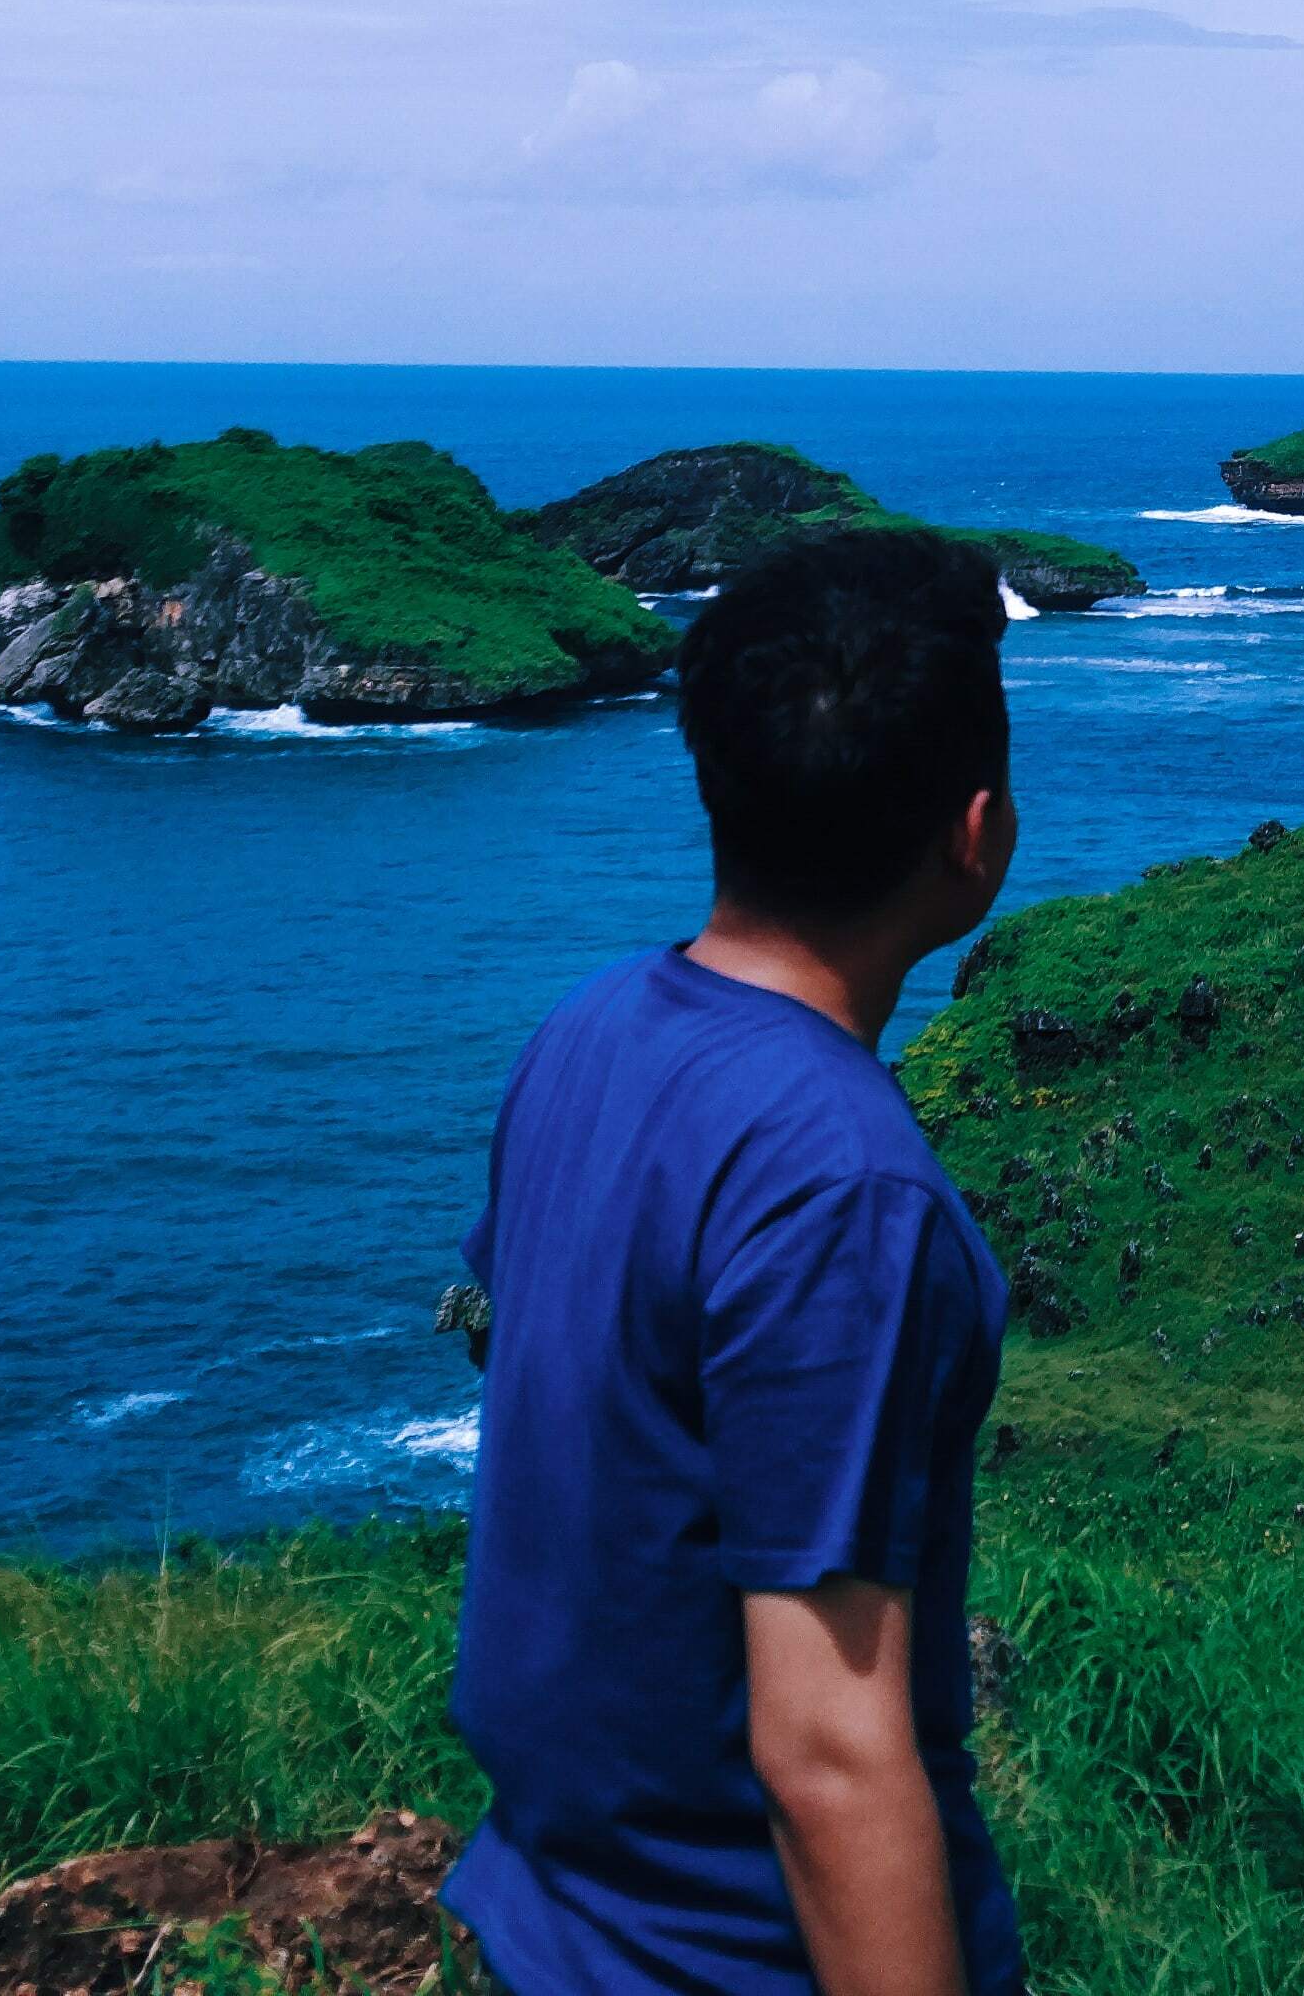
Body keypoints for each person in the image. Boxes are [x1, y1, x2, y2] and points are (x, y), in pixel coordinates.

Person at [444, 527, 1025, 1996]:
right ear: (978, 836)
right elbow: (828, 1746)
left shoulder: (585, 1035)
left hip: (551, 1924)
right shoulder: (847, 1186)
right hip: (730, 1960)